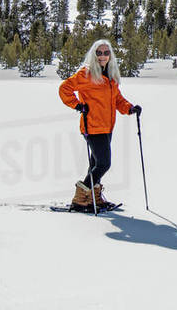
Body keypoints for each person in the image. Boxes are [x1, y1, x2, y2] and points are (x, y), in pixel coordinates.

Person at [57, 38, 142, 210]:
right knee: (104, 164)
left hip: (107, 126)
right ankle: (80, 199)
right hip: (92, 126)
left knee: (96, 165)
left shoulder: (110, 76)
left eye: (106, 53)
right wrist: (78, 105)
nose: (103, 56)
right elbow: (64, 88)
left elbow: (117, 99)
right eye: (99, 53)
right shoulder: (86, 74)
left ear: (110, 55)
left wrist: (130, 108)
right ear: (93, 55)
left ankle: (93, 197)